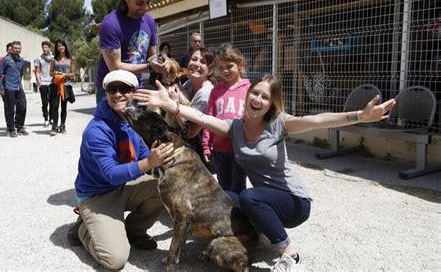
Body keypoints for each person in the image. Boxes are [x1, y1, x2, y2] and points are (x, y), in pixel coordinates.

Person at [134, 74, 396, 271]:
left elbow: (318, 120)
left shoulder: (279, 124)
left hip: (293, 202)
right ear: (247, 95)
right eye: (255, 93)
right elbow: (203, 119)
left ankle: (289, 253)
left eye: (265, 97)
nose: (257, 99)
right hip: (267, 199)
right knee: (224, 198)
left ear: (272, 104)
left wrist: (360, 115)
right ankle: (252, 236)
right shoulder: (235, 127)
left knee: (248, 198)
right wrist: (172, 106)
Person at [69, 70, 174, 270]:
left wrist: (155, 159)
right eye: (112, 89)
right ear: (106, 92)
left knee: (166, 186)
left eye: (124, 89)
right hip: (96, 196)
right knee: (115, 260)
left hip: (123, 187)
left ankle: (134, 231)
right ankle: (84, 228)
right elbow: (111, 173)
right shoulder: (97, 130)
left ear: (133, 92)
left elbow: (144, 154)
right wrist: (151, 162)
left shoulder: (130, 120)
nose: (118, 94)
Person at [95, 0, 169, 103]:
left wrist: (163, 61)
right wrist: (150, 67)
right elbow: (115, 67)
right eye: (139, 3)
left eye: (148, 2)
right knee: (113, 124)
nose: (145, 8)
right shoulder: (111, 24)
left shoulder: (149, 21)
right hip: (113, 89)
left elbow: (152, 56)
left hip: (136, 86)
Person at [202, 43, 250, 193]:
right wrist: (206, 144)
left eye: (229, 66)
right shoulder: (216, 91)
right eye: (221, 68)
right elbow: (209, 118)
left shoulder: (250, 89)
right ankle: (227, 215)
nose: (225, 71)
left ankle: (239, 215)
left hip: (240, 148)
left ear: (240, 63)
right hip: (220, 149)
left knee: (238, 186)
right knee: (223, 186)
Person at [175, 47, 216, 161]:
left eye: (203, 62)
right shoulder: (188, 83)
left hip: (202, 154)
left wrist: (174, 104)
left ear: (210, 70)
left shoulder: (205, 94)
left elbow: (190, 132)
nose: (196, 64)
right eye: (194, 59)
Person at [0, 41, 28, 138]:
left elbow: (22, 74)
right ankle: (11, 129)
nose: (17, 50)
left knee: (23, 106)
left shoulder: (22, 61)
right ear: (12, 49)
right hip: (9, 87)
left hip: (18, 87)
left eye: (19, 48)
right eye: (15, 48)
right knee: (10, 109)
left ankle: (20, 126)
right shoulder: (6, 60)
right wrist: (1, 87)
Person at [49, 39, 76, 135]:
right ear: (56, 48)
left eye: (62, 45)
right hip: (55, 85)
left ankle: (62, 125)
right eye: (59, 46)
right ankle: (54, 126)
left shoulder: (71, 59)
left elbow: (73, 74)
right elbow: (50, 72)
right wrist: (55, 73)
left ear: (65, 46)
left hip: (66, 86)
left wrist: (64, 75)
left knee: (64, 106)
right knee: (55, 106)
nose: (61, 47)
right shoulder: (53, 59)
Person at [33, 41, 53, 127]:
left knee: (52, 102)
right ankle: (46, 119)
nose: (44, 49)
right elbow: (37, 72)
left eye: (46, 47)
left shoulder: (53, 58)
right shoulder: (39, 59)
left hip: (52, 83)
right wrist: (39, 83)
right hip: (43, 83)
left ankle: (51, 118)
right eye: (43, 47)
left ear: (49, 48)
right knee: (45, 103)